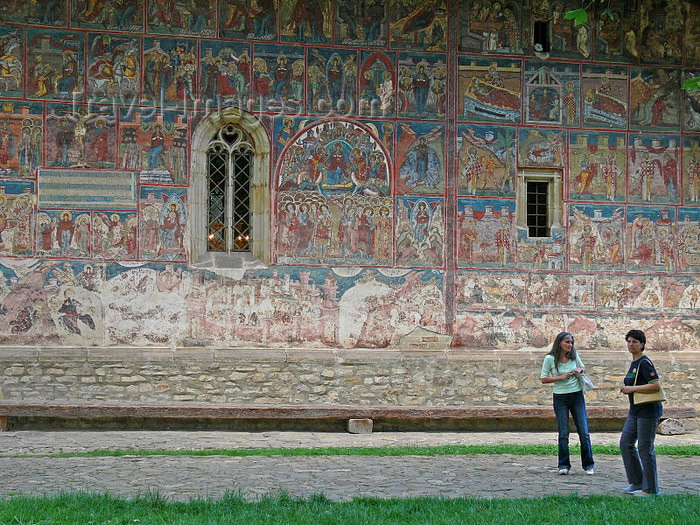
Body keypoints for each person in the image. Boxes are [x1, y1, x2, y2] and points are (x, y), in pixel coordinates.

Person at [540, 331, 595, 475]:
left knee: (584, 431)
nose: (570, 345)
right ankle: (563, 465)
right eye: (567, 342)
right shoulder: (550, 359)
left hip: (576, 396)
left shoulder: (574, 355)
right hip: (560, 397)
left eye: (571, 342)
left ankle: (588, 465)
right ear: (559, 343)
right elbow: (544, 378)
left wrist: (579, 370)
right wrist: (560, 377)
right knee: (564, 433)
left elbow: (583, 367)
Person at [619, 329, 663, 496]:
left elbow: (656, 385)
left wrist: (632, 388)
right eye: (629, 341)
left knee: (645, 448)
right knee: (626, 443)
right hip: (635, 410)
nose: (631, 345)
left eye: (635, 342)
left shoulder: (644, 363)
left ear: (642, 344)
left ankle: (651, 489)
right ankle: (637, 481)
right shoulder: (634, 363)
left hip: (648, 410)